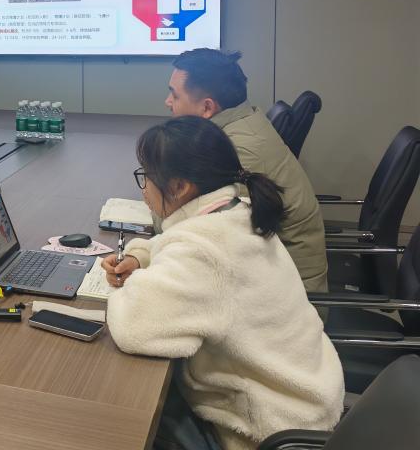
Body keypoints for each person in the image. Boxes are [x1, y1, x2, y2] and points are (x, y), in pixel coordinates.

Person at [102, 116, 343, 450]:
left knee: (121, 414)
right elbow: (181, 243)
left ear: (179, 187)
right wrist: (141, 256)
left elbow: (135, 328)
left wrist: (126, 285)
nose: (143, 190)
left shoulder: (205, 251)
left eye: (146, 177)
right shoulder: (237, 210)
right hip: (305, 394)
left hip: (266, 426)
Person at [164, 48, 327, 293]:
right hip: (266, 276)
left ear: (207, 107)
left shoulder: (237, 150)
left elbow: (185, 229)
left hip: (285, 300)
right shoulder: (243, 121)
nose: (167, 102)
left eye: (174, 95)